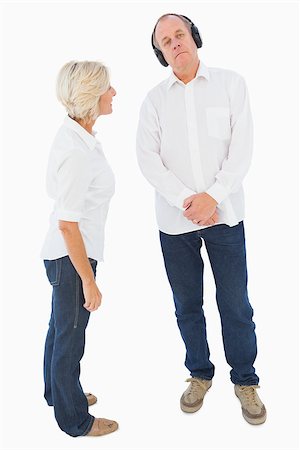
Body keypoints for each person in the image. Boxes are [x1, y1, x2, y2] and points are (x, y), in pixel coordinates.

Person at [136, 13, 266, 425]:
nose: (175, 43)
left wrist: (213, 197)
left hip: (225, 216)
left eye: (180, 34)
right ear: (160, 52)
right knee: (186, 305)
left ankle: (245, 379)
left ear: (195, 37)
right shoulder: (154, 100)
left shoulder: (231, 84)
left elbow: (242, 148)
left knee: (236, 303)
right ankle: (198, 374)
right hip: (174, 225)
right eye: (165, 40)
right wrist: (185, 201)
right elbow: (147, 160)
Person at [40, 60, 118, 437]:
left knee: (60, 329)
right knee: (70, 336)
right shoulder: (77, 150)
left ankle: (58, 393)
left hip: (66, 253)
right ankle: (74, 420)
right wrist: (89, 280)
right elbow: (68, 224)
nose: (114, 93)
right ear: (92, 95)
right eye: (108, 87)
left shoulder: (79, 136)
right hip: (73, 255)